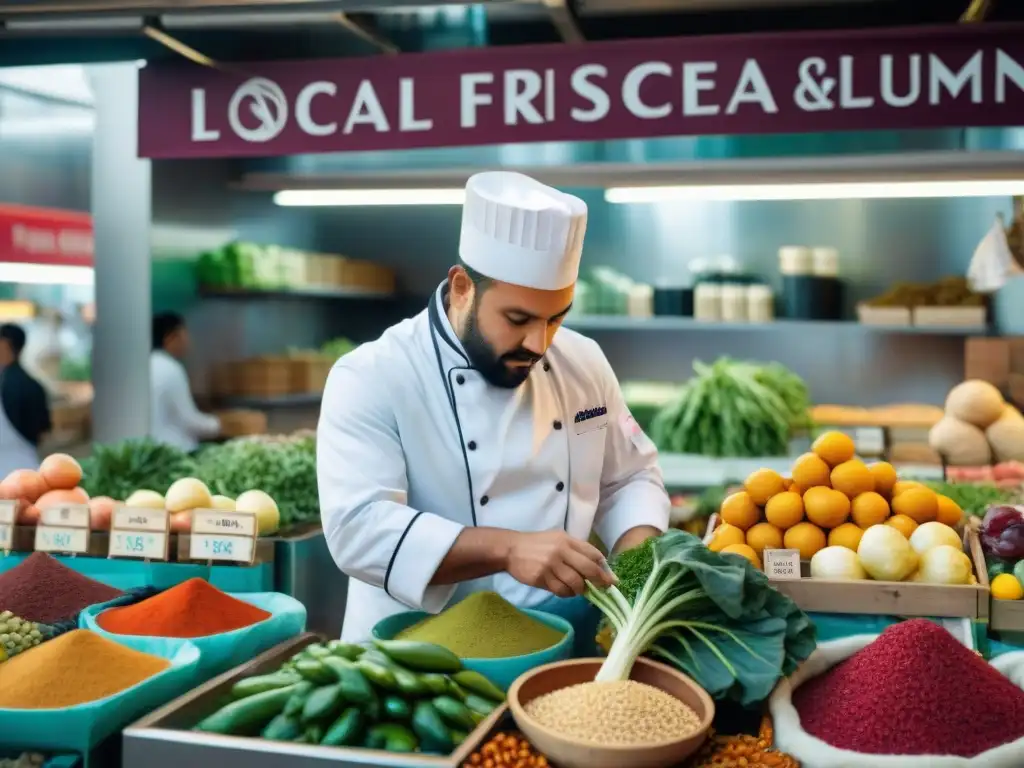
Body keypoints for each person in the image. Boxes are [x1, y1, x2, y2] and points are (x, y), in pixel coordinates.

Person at [318, 171, 670, 646]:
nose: (539, 343)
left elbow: (631, 476)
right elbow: (358, 530)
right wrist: (509, 549)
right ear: (462, 287)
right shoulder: (372, 374)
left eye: (556, 318)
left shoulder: (583, 360)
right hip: (411, 658)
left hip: (556, 640)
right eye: (517, 319)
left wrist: (635, 570)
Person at [150, 312, 220, 452]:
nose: (188, 340)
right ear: (171, 338)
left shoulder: (146, 364)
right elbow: (188, 419)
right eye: (185, 334)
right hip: (174, 452)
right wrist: (219, 425)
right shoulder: (170, 368)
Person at [0, 323, 51, 476]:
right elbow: (43, 432)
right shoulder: (34, 386)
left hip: (18, 468)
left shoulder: (20, 385)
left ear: (6, 346)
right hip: (28, 468)